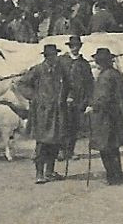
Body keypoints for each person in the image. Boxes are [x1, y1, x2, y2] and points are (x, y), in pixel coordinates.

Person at [19, 43, 70, 183]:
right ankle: (39, 174)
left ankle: (50, 172)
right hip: (42, 113)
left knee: (55, 141)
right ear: (46, 57)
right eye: (52, 56)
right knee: (42, 143)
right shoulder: (38, 70)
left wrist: (67, 97)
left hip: (57, 111)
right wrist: (35, 97)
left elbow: (68, 85)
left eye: (55, 55)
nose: (54, 58)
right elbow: (22, 84)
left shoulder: (60, 70)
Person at [87, 47, 123, 184]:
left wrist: (92, 106)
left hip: (105, 117)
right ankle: (117, 176)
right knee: (113, 147)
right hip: (116, 115)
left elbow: (103, 97)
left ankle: (112, 177)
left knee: (105, 147)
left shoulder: (105, 76)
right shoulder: (116, 74)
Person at [60, 35, 93, 163]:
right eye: (72, 46)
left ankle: (70, 151)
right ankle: (61, 151)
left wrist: (89, 101)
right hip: (63, 99)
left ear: (80, 47)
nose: (74, 49)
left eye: (77, 46)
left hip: (79, 99)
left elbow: (90, 83)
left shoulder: (84, 64)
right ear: (69, 47)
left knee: (74, 126)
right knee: (63, 125)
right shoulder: (62, 61)